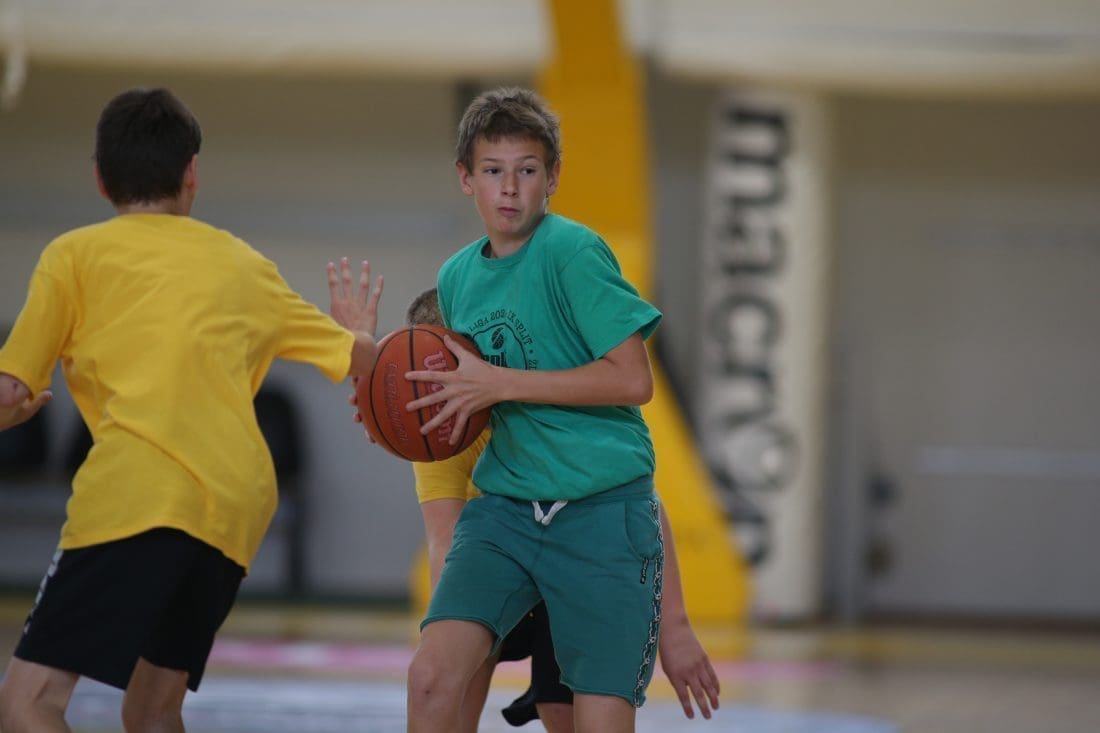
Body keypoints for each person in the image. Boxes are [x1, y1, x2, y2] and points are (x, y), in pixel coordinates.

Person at [0, 87, 383, 733]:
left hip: (137, 497)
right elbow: (360, 359)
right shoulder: (242, 263)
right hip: (231, 512)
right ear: (191, 174)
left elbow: (11, 392)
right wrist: (360, 333)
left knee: (25, 703)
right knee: (152, 710)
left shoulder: (72, 256)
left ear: (101, 180)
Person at [402, 86, 718, 733]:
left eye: (526, 170)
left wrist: (502, 383)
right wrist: (395, 411)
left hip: (601, 513)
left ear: (552, 178)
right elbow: (465, 396)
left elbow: (633, 378)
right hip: (507, 511)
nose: (508, 188)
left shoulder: (574, 252)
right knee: (431, 676)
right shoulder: (457, 277)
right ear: (466, 178)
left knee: (586, 720)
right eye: (493, 170)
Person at [395, 288, 718, 732]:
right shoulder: (437, 428)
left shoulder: (542, 400)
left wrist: (675, 628)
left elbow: (638, 504)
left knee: (562, 710)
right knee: (443, 679)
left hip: (576, 557)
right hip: (497, 557)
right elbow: (443, 539)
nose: (439, 387)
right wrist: (444, 630)